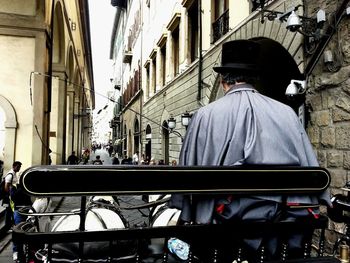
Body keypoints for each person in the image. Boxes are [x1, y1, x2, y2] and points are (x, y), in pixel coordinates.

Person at [169, 39, 331, 258]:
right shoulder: (286, 113)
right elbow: (309, 166)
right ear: (253, 78)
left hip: (225, 228)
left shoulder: (205, 116)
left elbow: (187, 176)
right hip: (279, 223)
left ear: (223, 80)